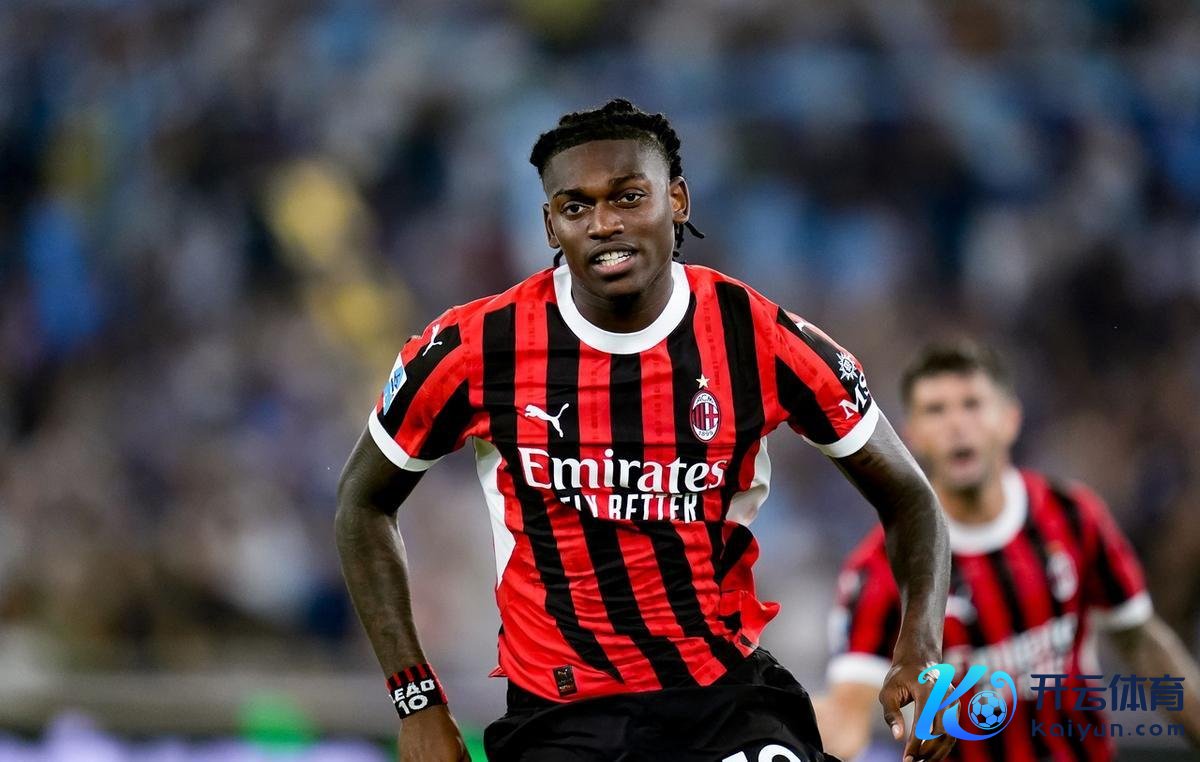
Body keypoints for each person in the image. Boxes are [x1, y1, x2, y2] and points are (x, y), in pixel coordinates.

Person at [334, 99, 953, 762]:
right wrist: (417, 701)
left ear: (677, 200)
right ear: (550, 225)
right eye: (576, 207)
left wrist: (920, 648)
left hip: (725, 701)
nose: (604, 224)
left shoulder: (758, 337)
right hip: (562, 718)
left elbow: (910, 498)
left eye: (628, 197)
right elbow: (362, 503)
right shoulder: (477, 346)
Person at [815, 340, 1200, 762]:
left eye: (972, 405)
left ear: (1010, 420)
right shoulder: (879, 568)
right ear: (910, 435)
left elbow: (1140, 640)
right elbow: (848, 717)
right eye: (936, 410)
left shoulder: (1072, 516)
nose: (957, 425)